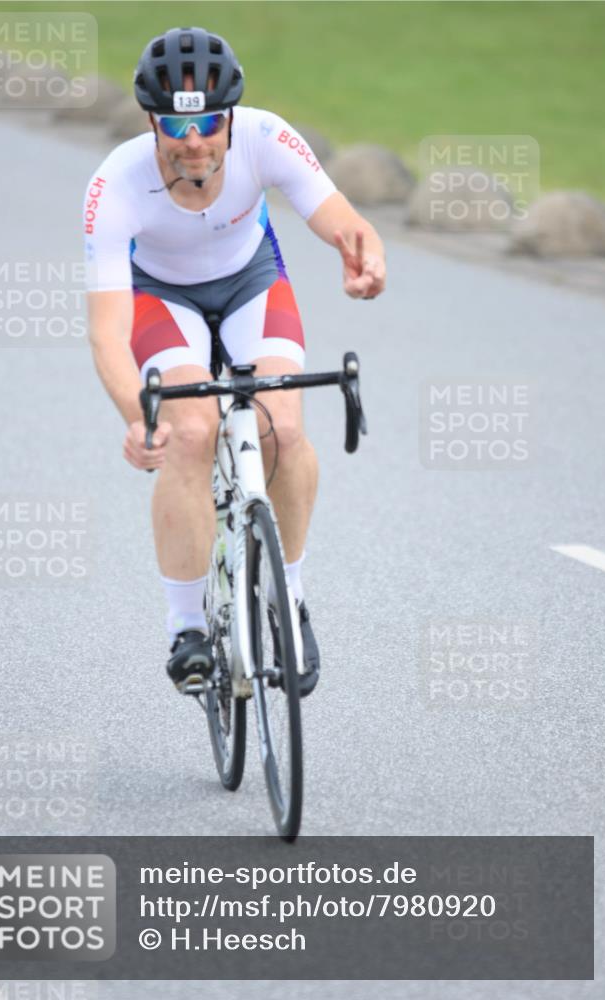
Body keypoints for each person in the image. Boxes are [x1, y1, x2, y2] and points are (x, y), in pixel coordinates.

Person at [84, 26, 386, 696]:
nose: (194, 143)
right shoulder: (115, 185)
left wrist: (362, 250)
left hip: (252, 280)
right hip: (160, 297)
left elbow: (338, 215)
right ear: (151, 122)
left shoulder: (265, 138)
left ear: (230, 117)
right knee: (191, 433)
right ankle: (187, 626)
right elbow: (107, 332)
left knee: (284, 427)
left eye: (209, 125)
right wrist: (139, 416)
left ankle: (291, 599)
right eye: (175, 127)